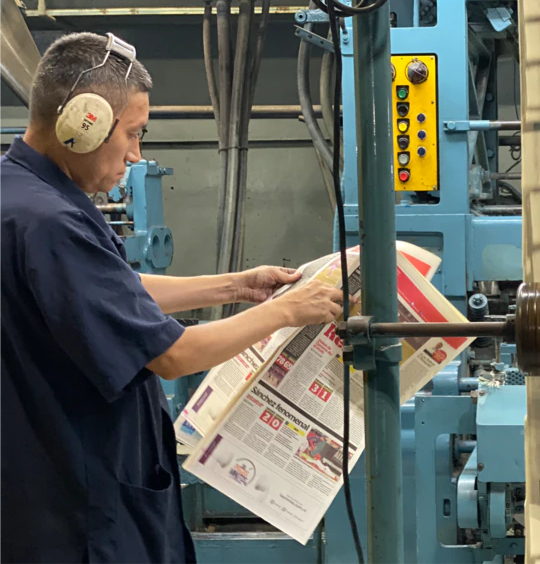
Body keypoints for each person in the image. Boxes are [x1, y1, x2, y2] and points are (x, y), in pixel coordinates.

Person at [0, 32, 345, 564]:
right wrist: (285, 312)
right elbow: (173, 356)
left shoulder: (18, 195)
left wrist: (237, 286)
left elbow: (110, 289)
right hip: (80, 506)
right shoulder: (51, 221)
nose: (136, 156)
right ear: (84, 123)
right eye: (133, 135)